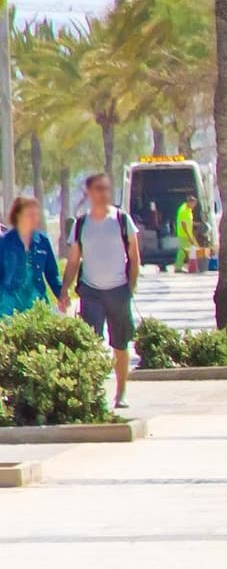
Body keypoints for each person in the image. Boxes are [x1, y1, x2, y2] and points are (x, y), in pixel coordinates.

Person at [62, 172, 143, 408]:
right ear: (88, 193)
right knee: (90, 343)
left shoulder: (121, 219)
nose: (102, 193)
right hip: (91, 292)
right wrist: (64, 289)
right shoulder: (80, 224)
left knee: (120, 344)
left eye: (105, 188)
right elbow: (74, 260)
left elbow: (134, 257)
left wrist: (131, 287)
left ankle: (121, 393)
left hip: (118, 290)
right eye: (97, 189)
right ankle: (92, 392)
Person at [0, 194, 63, 317]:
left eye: (36, 214)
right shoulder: (4, 241)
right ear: (18, 216)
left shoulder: (42, 240)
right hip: (9, 303)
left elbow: (52, 274)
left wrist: (61, 294)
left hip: (36, 300)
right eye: (30, 215)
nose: (35, 218)